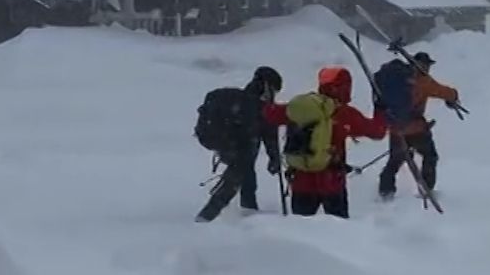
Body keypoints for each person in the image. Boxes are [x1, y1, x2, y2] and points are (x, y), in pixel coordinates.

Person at [265, 65, 387, 218]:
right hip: (332, 183)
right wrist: (380, 110)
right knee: (338, 231)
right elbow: (378, 131)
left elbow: (271, 115)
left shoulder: (302, 109)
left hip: (301, 181)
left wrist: (267, 95)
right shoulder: (346, 114)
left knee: (300, 231)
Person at [194, 66, 283, 222]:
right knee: (239, 172)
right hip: (238, 144)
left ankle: (247, 210)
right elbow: (270, 135)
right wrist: (274, 158)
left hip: (224, 141)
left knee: (245, 170)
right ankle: (208, 216)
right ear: (268, 86)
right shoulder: (259, 106)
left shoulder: (238, 99)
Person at [374, 52, 459, 201]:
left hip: (396, 128)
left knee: (395, 161)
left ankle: (385, 192)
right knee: (430, 156)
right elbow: (445, 92)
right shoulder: (423, 81)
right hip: (416, 130)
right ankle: (426, 189)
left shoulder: (398, 80)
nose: (428, 68)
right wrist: (454, 96)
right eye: (427, 65)